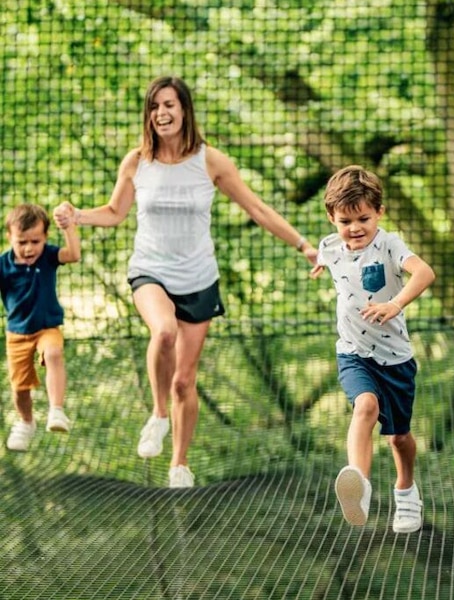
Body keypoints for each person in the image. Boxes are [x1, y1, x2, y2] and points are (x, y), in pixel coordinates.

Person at [53, 75, 317, 488]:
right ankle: (158, 415)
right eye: (154, 106)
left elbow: (258, 209)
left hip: (198, 279)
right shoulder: (137, 162)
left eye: (169, 105)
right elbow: (115, 212)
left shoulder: (211, 162)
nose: (161, 113)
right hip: (150, 271)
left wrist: (304, 246)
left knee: (183, 381)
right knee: (164, 332)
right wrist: (77, 216)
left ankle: (179, 463)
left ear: (184, 110)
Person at [311, 165, 435, 533]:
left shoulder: (389, 244)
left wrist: (395, 304)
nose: (355, 228)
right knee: (365, 406)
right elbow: (323, 255)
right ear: (332, 218)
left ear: (379, 212)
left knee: (398, 437)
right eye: (345, 221)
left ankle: (406, 490)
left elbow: (425, 273)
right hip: (353, 353)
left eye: (363, 218)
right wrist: (317, 264)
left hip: (394, 359)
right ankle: (359, 485)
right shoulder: (330, 247)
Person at [1, 204, 81, 451]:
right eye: (22, 242)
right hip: (17, 334)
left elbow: (73, 254)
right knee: (20, 389)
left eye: (35, 241)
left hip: (47, 328)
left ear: (45, 237)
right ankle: (26, 422)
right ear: (9, 237)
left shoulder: (47, 256)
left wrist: (68, 226)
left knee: (54, 353)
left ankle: (56, 410)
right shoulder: (3, 265)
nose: (29, 248)